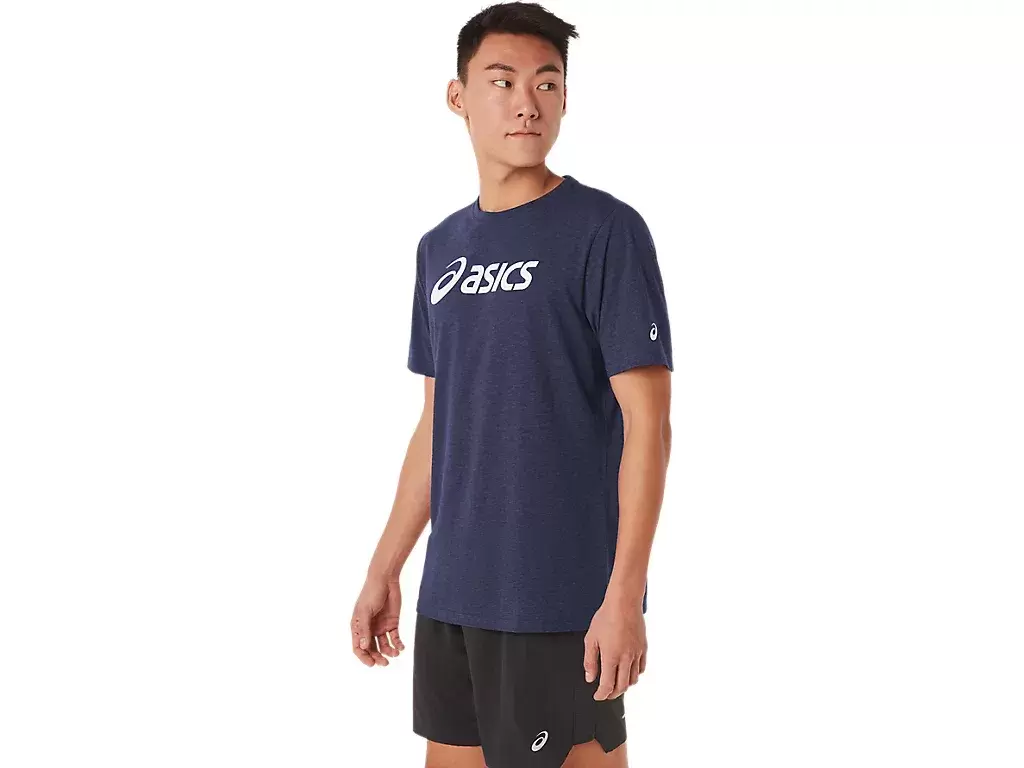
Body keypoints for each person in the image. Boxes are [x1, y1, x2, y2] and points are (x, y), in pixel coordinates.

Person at [350, 3, 673, 767]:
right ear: (458, 96)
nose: (527, 103)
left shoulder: (604, 231)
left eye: (546, 83)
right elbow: (439, 426)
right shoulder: (440, 250)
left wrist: (623, 595)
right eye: (502, 82)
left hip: (558, 596)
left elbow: (649, 425)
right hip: (454, 594)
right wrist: (385, 566)